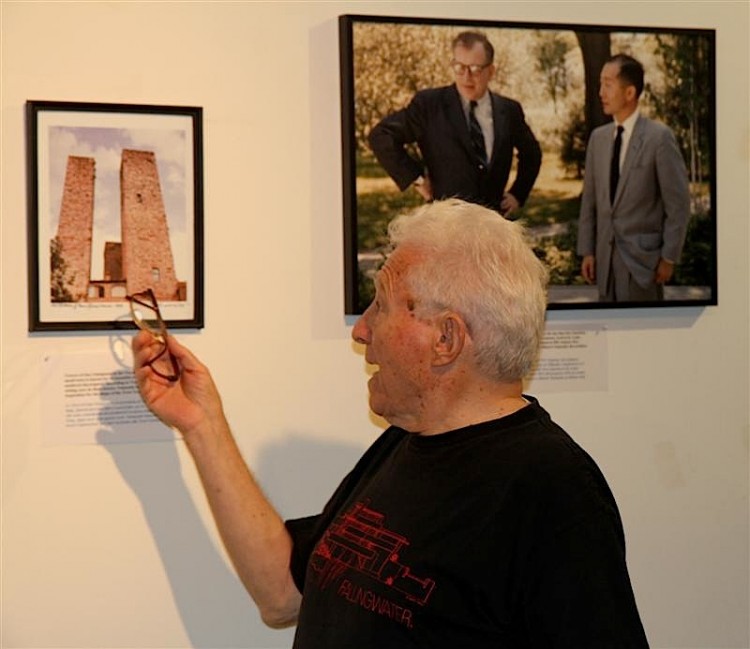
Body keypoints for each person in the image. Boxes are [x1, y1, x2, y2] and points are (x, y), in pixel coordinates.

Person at [133, 198, 650, 647]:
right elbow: (281, 594)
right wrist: (202, 424)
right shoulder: (406, 443)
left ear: (446, 339)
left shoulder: (553, 489)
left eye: (380, 306)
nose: (361, 331)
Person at [368, 31, 542, 218]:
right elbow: (382, 135)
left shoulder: (509, 110)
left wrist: (517, 194)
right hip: (446, 226)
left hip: (494, 225)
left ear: (491, 71)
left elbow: (532, 154)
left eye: (475, 69)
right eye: (459, 67)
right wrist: (417, 178)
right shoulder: (429, 105)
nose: (466, 77)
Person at [577, 53, 691, 301]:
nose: (601, 92)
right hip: (605, 265)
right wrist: (587, 251)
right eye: (600, 84)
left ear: (629, 93)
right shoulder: (598, 138)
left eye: (608, 84)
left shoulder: (659, 138)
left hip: (644, 265)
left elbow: (679, 204)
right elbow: (590, 200)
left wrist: (669, 257)